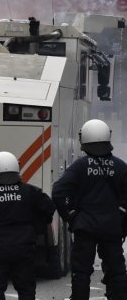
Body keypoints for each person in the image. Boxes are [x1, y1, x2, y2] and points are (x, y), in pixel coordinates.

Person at [52, 119, 127, 300]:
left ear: (83, 140)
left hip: (85, 226)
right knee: (117, 271)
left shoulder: (79, 166)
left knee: (81, 271)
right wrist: (122, 216)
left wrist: (70, 216)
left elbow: (58, 191)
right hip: (112, 226)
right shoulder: (120, 166)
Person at [0, 151, 55, 300]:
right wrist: (36, 228)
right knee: (26, 288)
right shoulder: (30, 191)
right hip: (24, 245)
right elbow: (48, 208)